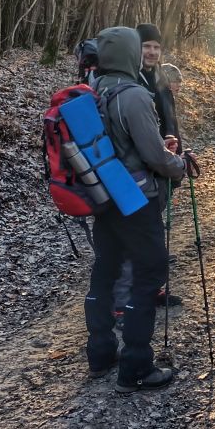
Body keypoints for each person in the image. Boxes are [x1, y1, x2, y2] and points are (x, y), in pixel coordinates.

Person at [85, 26, 194, 393]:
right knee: (150, 272)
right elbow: (151, 156)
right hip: (135, 198)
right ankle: (136, 366)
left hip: (103, 197)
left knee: (105, 269)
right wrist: (177, 163)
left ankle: (100, 354)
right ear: (130, 54)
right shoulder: (131, 94)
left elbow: (119, 144)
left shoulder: (93, 89)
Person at [112, 25, 181, 327]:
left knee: (155, 229)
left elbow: (170, 122)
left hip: (162, 166)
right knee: (134, 238)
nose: (152, 52)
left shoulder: (161, 80)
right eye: (146, 46)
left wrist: (176, 153)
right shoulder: (130, 84)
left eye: (156, 47)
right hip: (138, 173)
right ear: (134, 50)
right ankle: (122, 302)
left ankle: (153, 288)